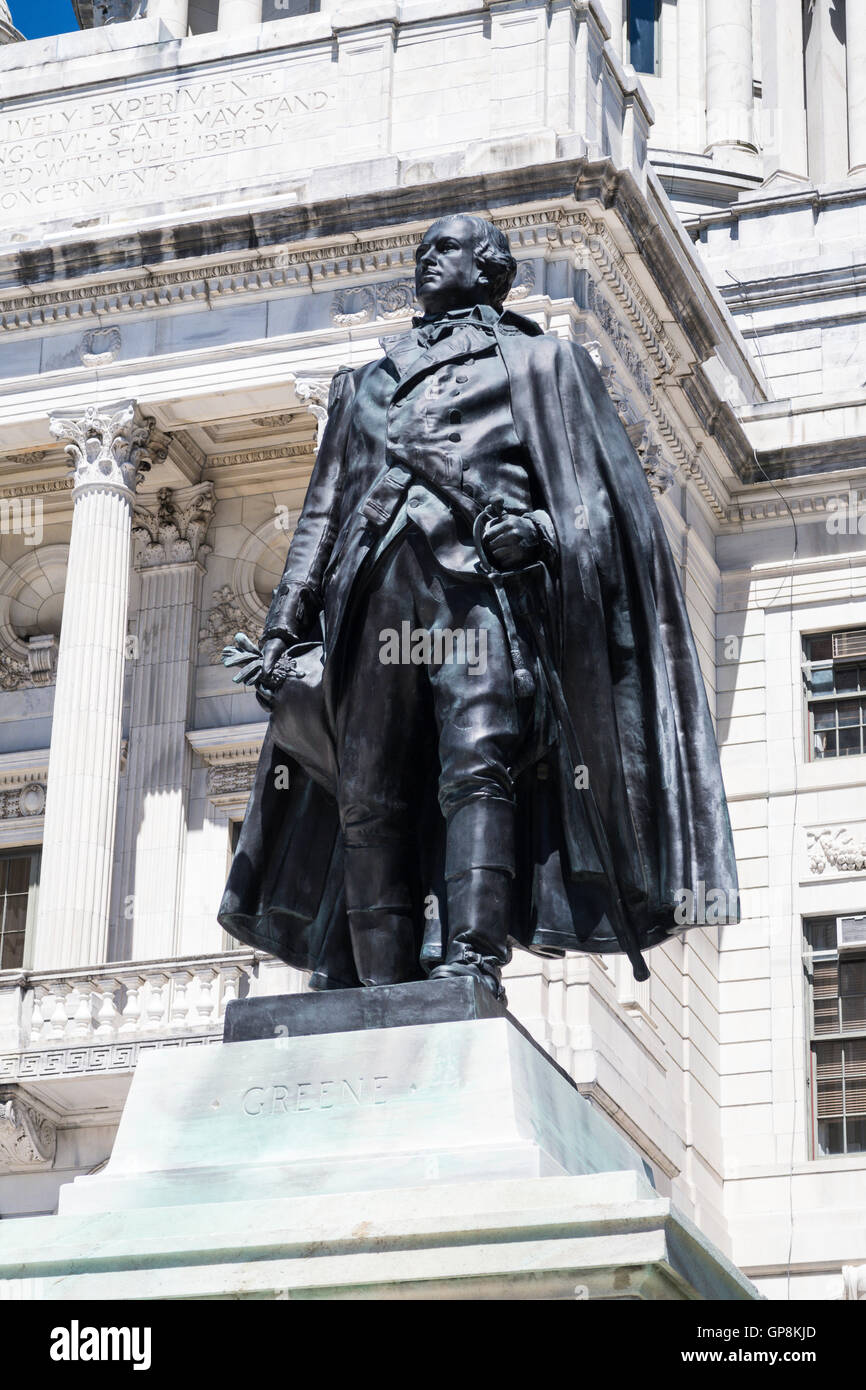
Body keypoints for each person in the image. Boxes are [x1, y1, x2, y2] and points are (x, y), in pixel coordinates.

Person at [219, 214, 738, 1001]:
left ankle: (470, 959)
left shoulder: (544, 363)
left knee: (476, 766)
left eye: (446, 249)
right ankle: (381, 979)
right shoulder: (365, 382)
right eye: (420, 248)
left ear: (491, 267)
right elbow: (322, 514)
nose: (425, 258)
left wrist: (532, 529)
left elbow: (600, 505)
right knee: (368, 789)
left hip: (478, 600)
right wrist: (283, 627)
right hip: (374, 599)